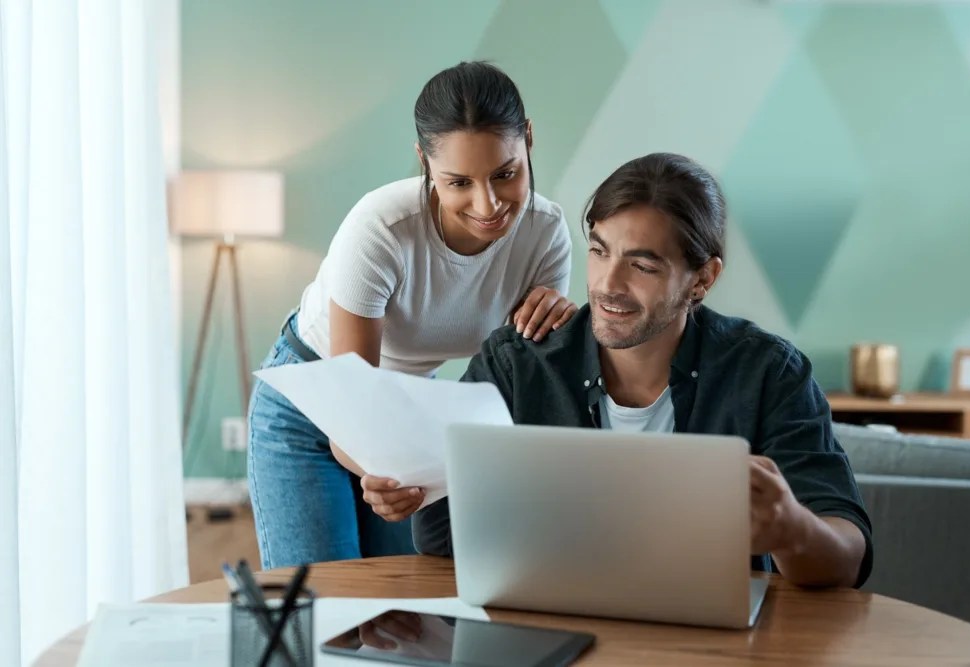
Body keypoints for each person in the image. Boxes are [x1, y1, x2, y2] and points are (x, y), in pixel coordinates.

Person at [364, 152, 873, 588]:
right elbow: (440, 541)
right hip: (545, 634)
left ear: (702, 279)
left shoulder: (768, 373)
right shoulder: (519, 363)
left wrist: (792, 530)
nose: (608, 285)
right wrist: (414, 488)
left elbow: (848, 555)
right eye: (599, 251)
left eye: (643, 265)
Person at [247, 61, 576, 569]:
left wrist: (565, 330)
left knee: (399, 612)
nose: (488, 204)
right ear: (423, 161)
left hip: (399, 416)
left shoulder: (545, 234)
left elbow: (530, 388)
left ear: (528, 139)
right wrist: (395, 475)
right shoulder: (381, 229)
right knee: (325, 611)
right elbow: (350, 412)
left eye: (505, 174)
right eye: (459, 182)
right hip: (311, 404)